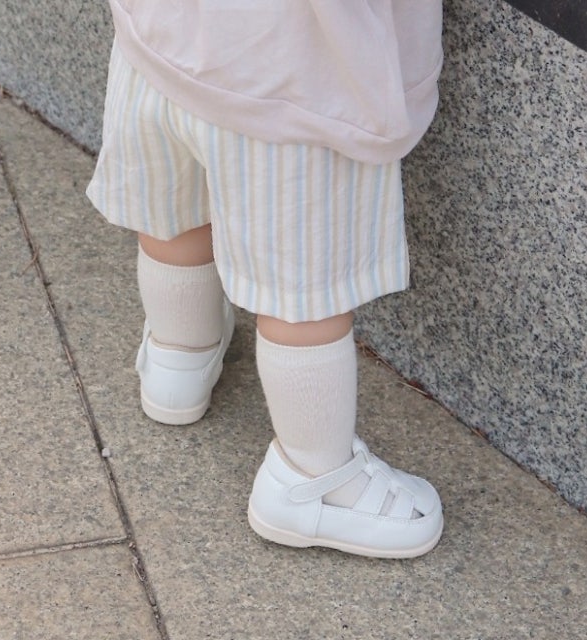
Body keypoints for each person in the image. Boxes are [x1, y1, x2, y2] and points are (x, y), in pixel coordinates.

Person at [87, 0, 445, 558]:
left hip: (166, 43)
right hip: (292, 80)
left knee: (174, 212)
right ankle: (313, 478)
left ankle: (178, 360)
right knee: (302, 296)